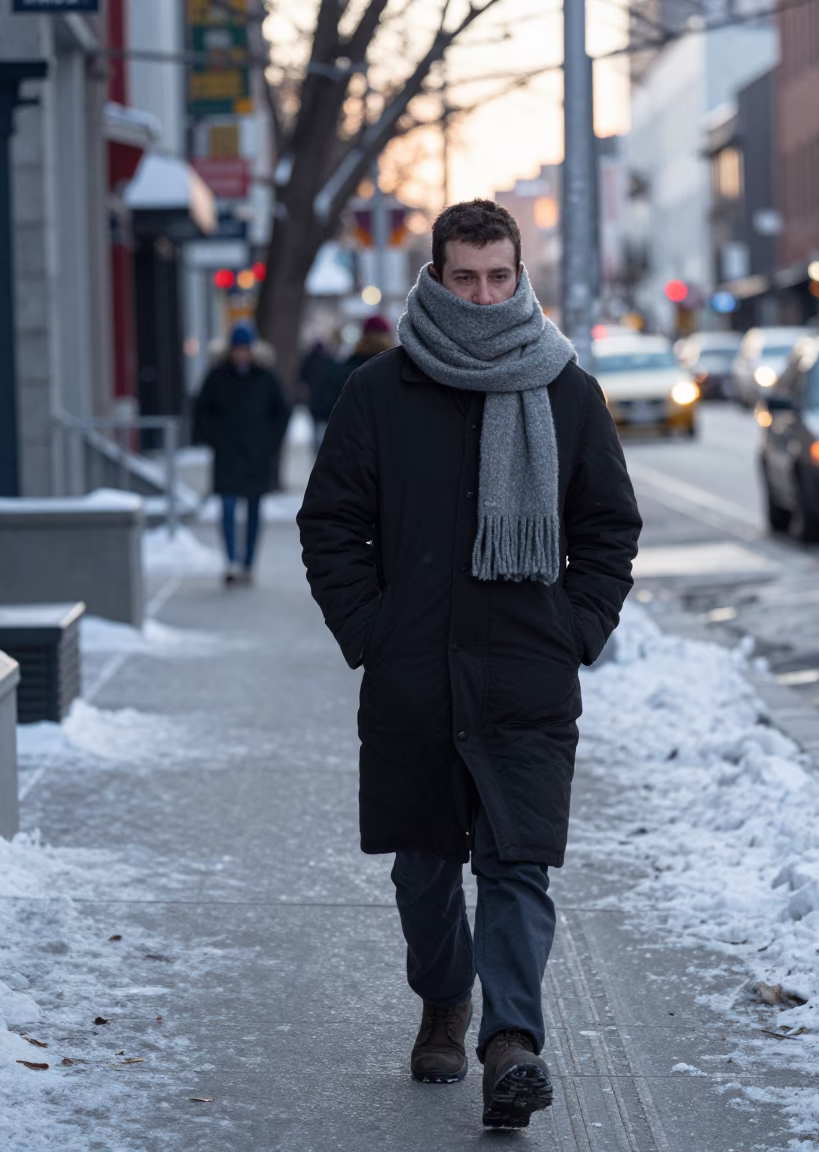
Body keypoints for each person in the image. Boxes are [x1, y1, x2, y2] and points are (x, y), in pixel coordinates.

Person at [297, 200, 641, 1129]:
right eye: (466, 277)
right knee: (422, 869)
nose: (485, 295)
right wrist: (372, 629)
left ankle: (510, 1043)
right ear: (435, 277)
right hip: (413, 676)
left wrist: (574, 629)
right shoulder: (380, 389)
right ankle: (446, 1001)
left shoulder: (566, 390)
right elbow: (330, 524)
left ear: (519, 275)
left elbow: (608, 528)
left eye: (499, 276)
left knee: (516, 865)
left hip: (525, 679)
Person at [193, 322, 290, 586]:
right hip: (227, 454)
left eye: (245, 348)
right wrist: (214, 438)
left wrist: (269, 443)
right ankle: (231, 560)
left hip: (255, 455)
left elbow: (281, 412)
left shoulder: (266, 377)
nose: (241, 354)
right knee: (226, 506)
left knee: (254, 509)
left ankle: (248, 562)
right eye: (237, 349)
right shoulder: (217, 376)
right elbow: (201, 410)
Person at [305, 317, 395, 450]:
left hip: (353, 446)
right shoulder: (396, 369)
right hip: (389, 446)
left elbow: (331, 405)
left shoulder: (349, 368)